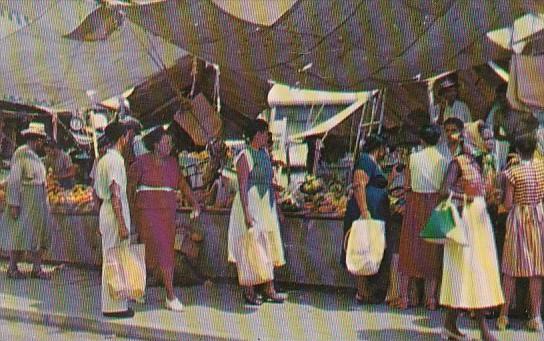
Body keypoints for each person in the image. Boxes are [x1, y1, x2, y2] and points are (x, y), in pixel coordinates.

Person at [438, 135, 504, 341]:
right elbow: (443, 191)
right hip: (465, 222)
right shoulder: (457, 163)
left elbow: (480, 194)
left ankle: (450, 325)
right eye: (481, 138)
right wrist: (464, 198)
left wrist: (491, 198)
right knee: (466, 270)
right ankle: (482, 330)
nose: (487, 142)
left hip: (479, 220)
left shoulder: (479, 163)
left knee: (478, 271)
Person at [128, 127, 201, 312]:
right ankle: (138, 288)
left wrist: (195, 203)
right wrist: (129, 214)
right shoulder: (140, 163)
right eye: (165, 142)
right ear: (155, 144)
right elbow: (130, 189)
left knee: (166, 252)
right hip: (145, 212)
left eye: (170, 143)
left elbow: (182, 184)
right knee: (146, 251)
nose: (169, 146)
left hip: (167, 213)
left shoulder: (173, 163)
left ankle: (170, 295)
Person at [228, 119, 286, 305]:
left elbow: (269, 181)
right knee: (250, 246)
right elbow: (243, 184)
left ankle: (270, 288)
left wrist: (277, 207)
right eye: (264, 134)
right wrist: (246, 212)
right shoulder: (245, 155)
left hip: (265, 204)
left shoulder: (264, 154)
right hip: (251, 203)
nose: (266, 137)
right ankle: (249, 290)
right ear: (256, 134)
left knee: (268, 244)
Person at [396, 125, 447, 310]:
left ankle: (403, 297)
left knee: (409, 247)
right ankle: (431, 299)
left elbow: (407, 184)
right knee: (432, 250)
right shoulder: (444, 159)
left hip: (415, 201)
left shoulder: (413, 157)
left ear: (422, 140)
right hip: (434, 202)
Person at [498, 133, 544, 332]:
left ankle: (503, 315)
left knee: (511, 268)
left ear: (517, 151)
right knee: (536, 269)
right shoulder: (542, 168)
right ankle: (535, 316)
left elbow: (508, 204)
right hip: (537, 215)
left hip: (519, 217)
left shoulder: (512, 173)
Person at [342, 134, 390, 304]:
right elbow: (358, 184)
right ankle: (363, 291)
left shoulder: (373, 163)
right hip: (365, 211)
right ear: (380, 148)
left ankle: (368, 290)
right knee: (361, 247)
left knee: (370, 248)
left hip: (375, 211)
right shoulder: (365, 160)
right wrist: (365, 211)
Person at [1, 122, 52, 280]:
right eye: (41, 140)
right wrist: (14, 203)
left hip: (38, 199)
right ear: (36, 139)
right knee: (19, 233)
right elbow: (15, 180)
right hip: (25, 199)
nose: (42, 143)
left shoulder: (36, 156)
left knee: (38, 234)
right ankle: (12, 267)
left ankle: (37, 268)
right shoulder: (21, 153)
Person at [94, 122, 134, 318]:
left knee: (112, 256)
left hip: (106, 210)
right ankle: (114, 306)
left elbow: (96, 194)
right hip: (113, 211)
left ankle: (117, 302)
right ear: (122, 138)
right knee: (115, 257)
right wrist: (122, 223)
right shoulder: (115, 161)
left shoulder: (103, 160)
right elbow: (115, 192)